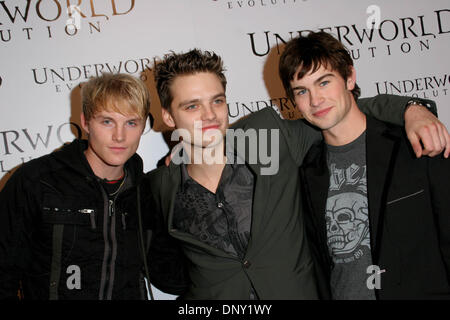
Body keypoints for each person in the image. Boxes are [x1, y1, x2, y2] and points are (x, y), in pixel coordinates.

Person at [147, 48, 449, 299]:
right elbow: (168, 272)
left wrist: (411, 109)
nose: (209, 115)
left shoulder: (270, 138)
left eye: (217, 101)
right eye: (192, 106)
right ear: (169, 117)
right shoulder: (161, 184)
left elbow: (337, 112)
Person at [278, 31, 450, 299]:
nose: (315, 100)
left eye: (324, 83)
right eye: (302, 91)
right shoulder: (307, 170)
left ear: (349, 77)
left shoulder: (414, 142)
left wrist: (413, 109)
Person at [0, 73, 187, 300]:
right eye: (107, 121)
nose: (119, 136)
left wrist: (189, 191)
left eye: (131, 122)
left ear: (142, 126)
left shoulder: (147, 193)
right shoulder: (37, 182)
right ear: (86, 122)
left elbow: (173, 278)